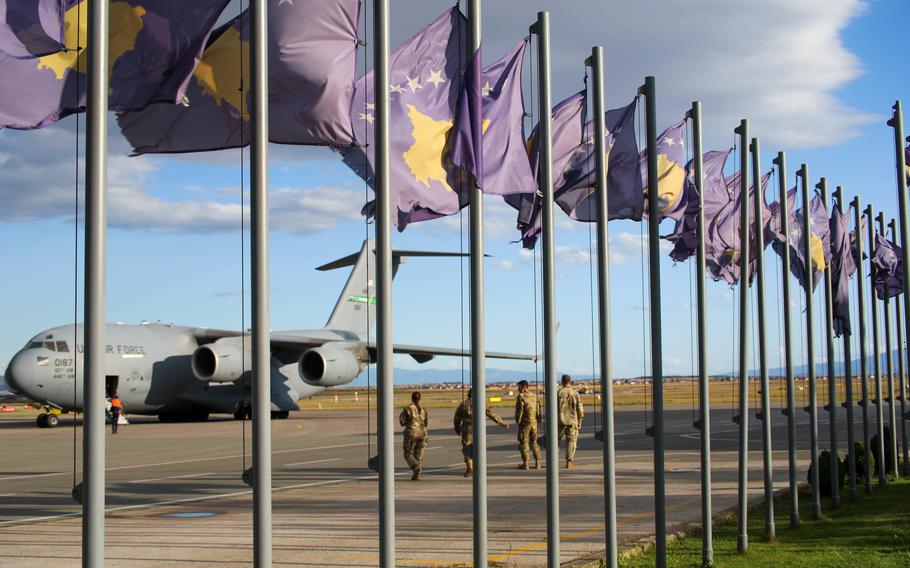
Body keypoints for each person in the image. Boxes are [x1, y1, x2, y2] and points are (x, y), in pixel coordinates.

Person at [453, 388, 509, 477]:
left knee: (467, 448)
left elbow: (457, 418)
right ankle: (480, 467)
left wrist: (456, 428)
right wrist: (501, 422)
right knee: (479, 448)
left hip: (467, 429)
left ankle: (469, 468)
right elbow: (491, 414)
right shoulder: (481, 404)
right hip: (479, 429)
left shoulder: (463, 404)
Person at [399, 391, 429, 480]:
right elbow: (426, 423)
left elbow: (402, 422)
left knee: (408, 453)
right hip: (423, 434)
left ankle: (415, 467)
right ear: (420, 398)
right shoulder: (423, 409)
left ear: (412, 398)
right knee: (418, 455)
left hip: (412, 433)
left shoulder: (408, 408)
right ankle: (416, 474)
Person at [557, 374, 584, 469]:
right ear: (570, 381)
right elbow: (579, 409)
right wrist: (580, 421)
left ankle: (554, 460)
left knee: (555, 441)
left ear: (562, 381)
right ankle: (569, 461)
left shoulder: (558, 392)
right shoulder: (575, 393)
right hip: (572, 421)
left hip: (559, 420)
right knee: (571, 441)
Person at [514, 380, 541, 470]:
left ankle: (526, 463)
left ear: (524, 387)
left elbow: (519, 410)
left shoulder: (521, 397)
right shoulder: (534, 396)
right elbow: (538, 409)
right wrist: (538, 420)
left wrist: (518, 420)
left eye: (520, 387)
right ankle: (538, 463)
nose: (518, 389)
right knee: (534, 442)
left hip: (525, 424)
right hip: (534, 423)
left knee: (524, 443)